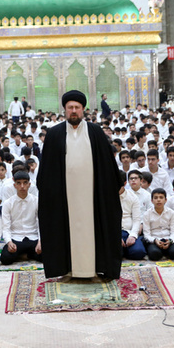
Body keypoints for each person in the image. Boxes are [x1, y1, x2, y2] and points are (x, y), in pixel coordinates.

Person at [37, 90, 122, 280]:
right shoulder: (54, 134)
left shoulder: (95, 132)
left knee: (94, 230)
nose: (73, 111)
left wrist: (116, 184)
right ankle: (66, 270)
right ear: (65, 110)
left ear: (83, 109)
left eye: (77, 107)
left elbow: (108, 165)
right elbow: (46, 170)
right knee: (64, 230)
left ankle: (94, 269)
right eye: (70, 108)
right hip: (64, 197)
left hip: (92, 196)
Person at [1, 171, 42, 265]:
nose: (22, 186)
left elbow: (40, 223)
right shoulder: (8, 203)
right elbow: (6, 226)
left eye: (25, 183)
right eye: (19, 183)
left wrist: (40, 242)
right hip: (16, 238)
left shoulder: (36, 201)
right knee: (5, 258)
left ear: (29, 185)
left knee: (47, 255)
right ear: (14, 185)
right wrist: (9, 242)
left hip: (33, 237)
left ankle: (24, 255)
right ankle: (29, 255)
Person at [143, 188, 174, 261]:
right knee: (154, 255)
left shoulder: (171, 213)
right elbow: (146, 234)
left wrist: (170, 241)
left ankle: (166, 250)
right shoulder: (147, 214)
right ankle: (160, 251)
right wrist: (155, 240)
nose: (158, 200)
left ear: (165, 200)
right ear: (152, 201)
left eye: (161, 197)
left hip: (168, 238)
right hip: (154, 239)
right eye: (156, 198)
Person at [119, 171, 146, 260]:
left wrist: (133, 235)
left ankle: (125, 250)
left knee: (139, 252)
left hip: (128, 231)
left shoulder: (132, 197)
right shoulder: (107, 197)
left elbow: (136, 219)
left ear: (125, 183)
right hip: (114, 233)